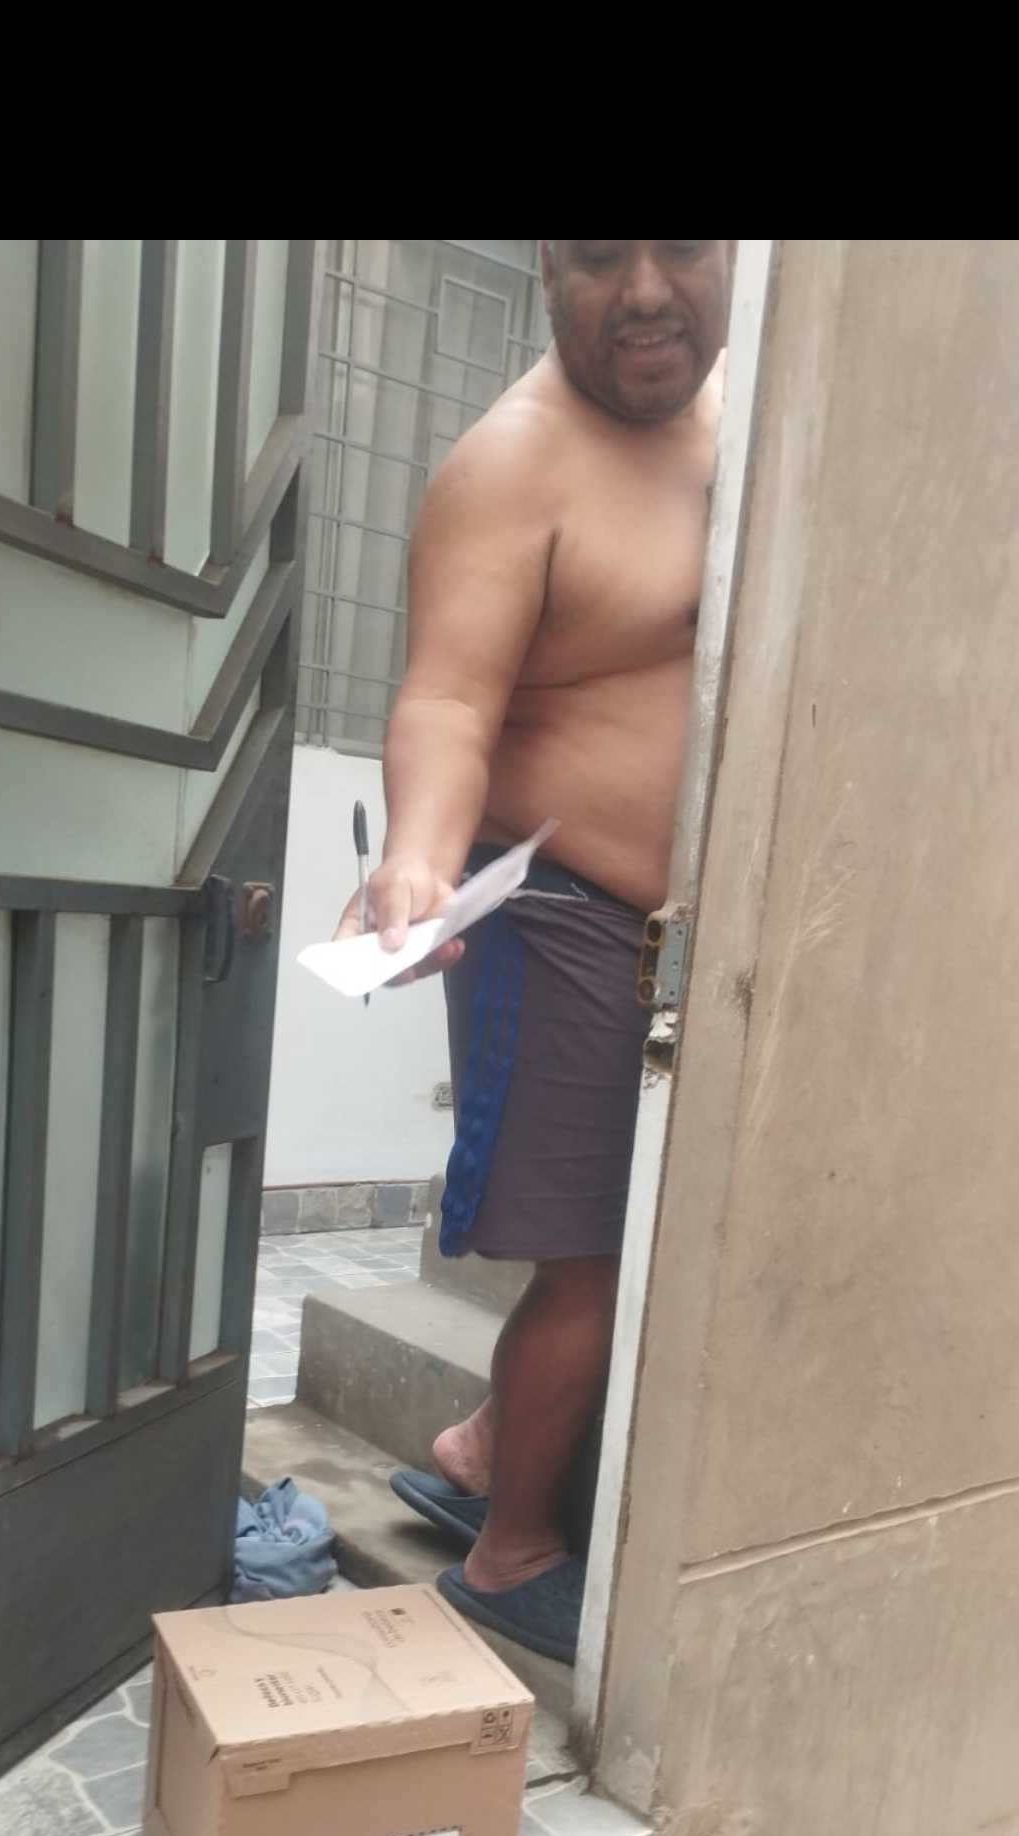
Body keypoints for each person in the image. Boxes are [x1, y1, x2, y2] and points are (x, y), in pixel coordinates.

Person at [336, 240, 734, 1666]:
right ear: (547, 271)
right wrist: (418, 858)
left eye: (681, 246)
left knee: (640, 1244)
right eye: (598, 255)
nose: (646, 291)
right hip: (558, 910)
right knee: (592, 1264)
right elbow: (449, 698)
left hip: (674, 935)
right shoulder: (512, 466)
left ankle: (477, 1450)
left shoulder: (748, 408)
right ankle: (510, 1557)